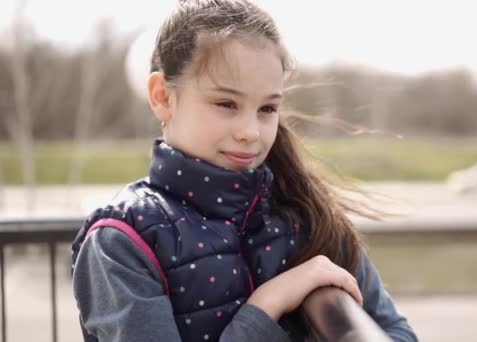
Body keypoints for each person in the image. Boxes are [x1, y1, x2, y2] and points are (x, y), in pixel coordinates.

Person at [71, 1, 418, 341]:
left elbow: (398, 332)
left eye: (267, 108)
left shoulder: (309, 214)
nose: (250, 131)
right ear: (162, 96)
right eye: (226, 103)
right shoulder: (122, 240)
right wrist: (271, 302)